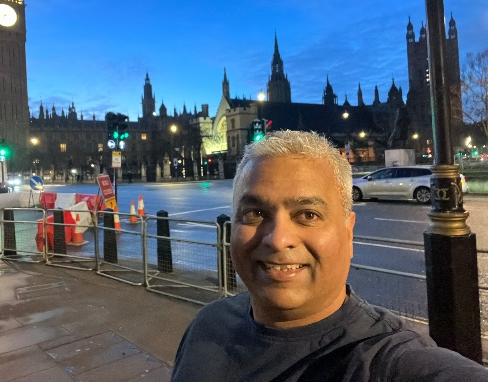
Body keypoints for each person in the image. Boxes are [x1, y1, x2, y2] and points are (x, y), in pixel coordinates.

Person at [172, 130, 488, 381]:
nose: (278, 239)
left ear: (348, 233)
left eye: (308, 215)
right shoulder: (207, 325)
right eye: (255, 213)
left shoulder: (387, 361)